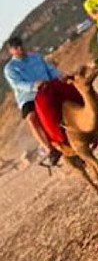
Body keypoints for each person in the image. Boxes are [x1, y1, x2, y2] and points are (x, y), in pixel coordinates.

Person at [3, 36, 62, 165]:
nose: (20, 49)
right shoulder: (10, 68)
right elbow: (18, 84)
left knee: (74, 87)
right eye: (16, 47)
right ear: (11, 51)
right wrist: (34, 85)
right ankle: (50, 149)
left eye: (20, 45)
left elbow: (50, 69)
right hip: (29, 97)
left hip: (48, 87)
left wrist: (59, 76)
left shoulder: (36, 57)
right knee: (31, 119)